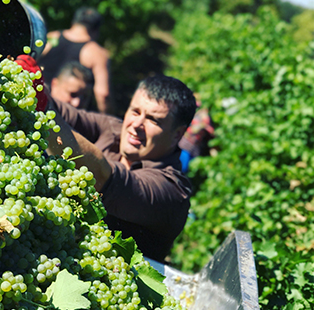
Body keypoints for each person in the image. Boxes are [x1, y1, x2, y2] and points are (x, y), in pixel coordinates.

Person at [45, 74, 197, 262]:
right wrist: (33, 84)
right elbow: (60, 110)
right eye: (135, 111)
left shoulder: (172, 192)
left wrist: (41, 109)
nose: (136, 125)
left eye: (153, 120)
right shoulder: (112, 130)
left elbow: (101, 176)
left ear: (177, 134)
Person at [37, 7, 113, 114]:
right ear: (96, 30)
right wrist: (106, 120)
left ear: (74, 22)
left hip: (38, 104)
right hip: (69, 115)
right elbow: (103, 94)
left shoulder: (50, 38)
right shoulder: (97, 53)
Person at [178, 99, 215, 174]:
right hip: (185, 146)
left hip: (192, 148)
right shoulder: (198, 115)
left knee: (183, 170)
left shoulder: (202, 115)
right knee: (181, 169)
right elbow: (193, 130)